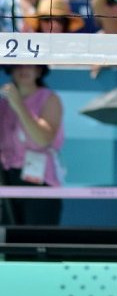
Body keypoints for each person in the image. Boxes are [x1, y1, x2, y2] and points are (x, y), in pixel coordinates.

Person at [0, 65, 65, 225]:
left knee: (38, 242)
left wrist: (19, 105)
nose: (24, 69)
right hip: (6, 179)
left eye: (30, 65)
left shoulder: (50, 98)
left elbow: (43, 139)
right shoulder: (2, 103)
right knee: (11, 245)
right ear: (10, 70)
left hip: (40, 180)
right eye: (18, 65)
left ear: (39, 70)